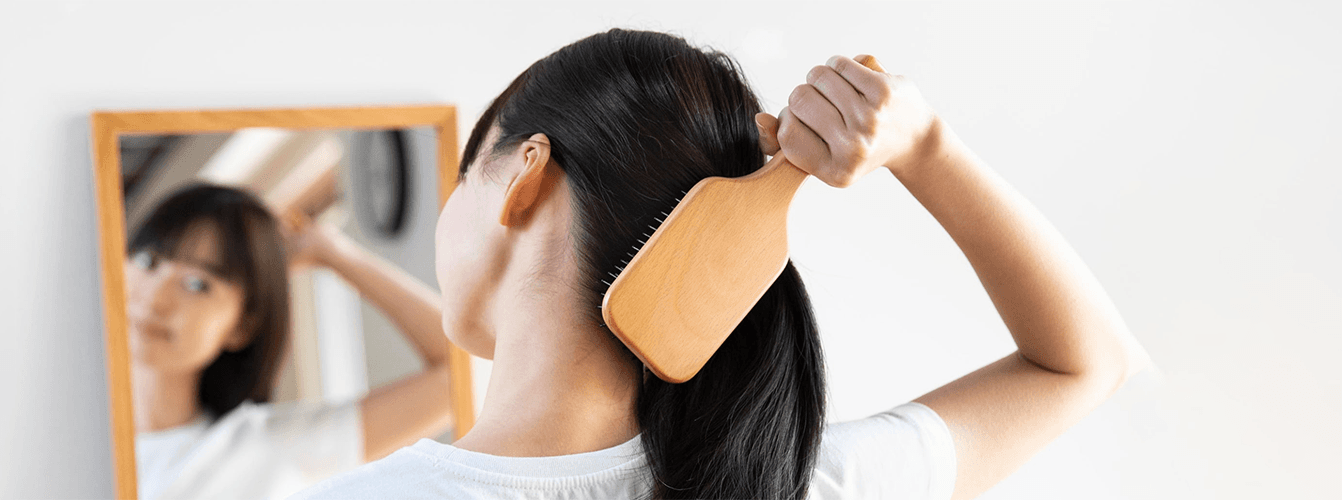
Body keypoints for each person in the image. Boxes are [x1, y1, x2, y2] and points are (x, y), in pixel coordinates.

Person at [292, 29, 1150, 500]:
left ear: (525, 176)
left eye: (461, 175)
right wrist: (927, 147)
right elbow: (1083, 363)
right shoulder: (802, 486)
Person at [125, 183, 451, 500]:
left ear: (241, 327)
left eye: (198, 284)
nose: (154, 298)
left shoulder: (268, 447)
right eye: (147, 262)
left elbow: (463, 369)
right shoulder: (78, 443)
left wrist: (333, 253)